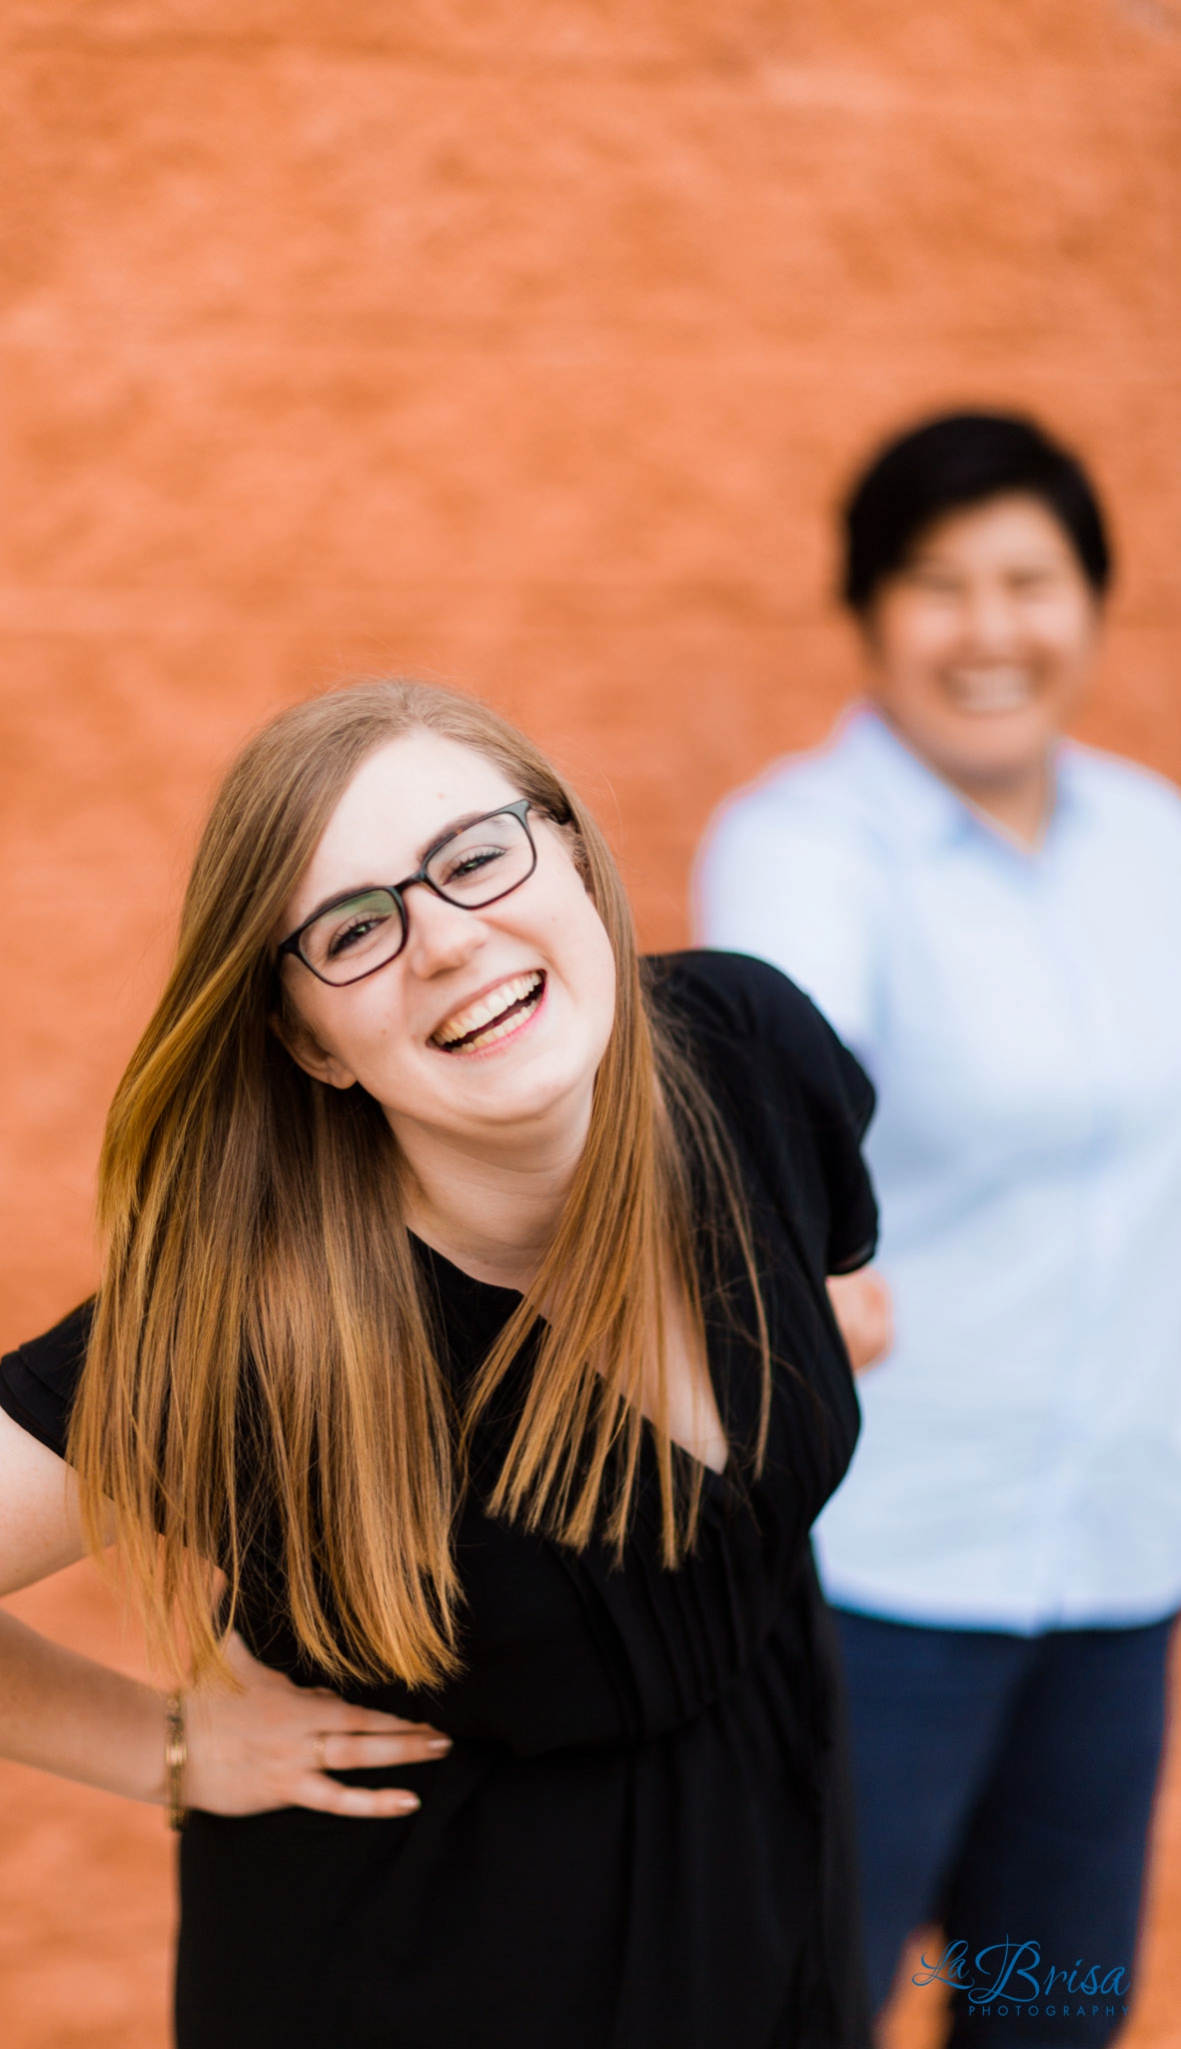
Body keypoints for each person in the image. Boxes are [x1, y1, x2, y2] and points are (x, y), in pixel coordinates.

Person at [0, 681, 880, 2049]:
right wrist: (173, 1751)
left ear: (571, 854)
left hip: (767, 1881)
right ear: (310, 1041)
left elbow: (842, 1288)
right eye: (355, 929)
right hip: (429, 1973)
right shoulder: (253, 1337)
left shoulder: (749, 1052)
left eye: (479, 853)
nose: (444, 938)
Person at [695, 411, 1181, 2046]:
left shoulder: (1154, 841)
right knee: (803, 2007)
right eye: (934, 583)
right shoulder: (803, 850)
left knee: (1047, 2013)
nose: (989, 630)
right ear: (866, 612)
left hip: (1117, 1569)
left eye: (1029, 580)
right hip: (877, 1578)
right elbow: (780, 1101)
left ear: (1092, 602)